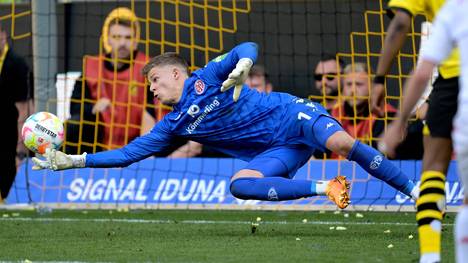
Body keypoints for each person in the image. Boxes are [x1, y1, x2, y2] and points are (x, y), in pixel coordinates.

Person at [32, 42, 419, 210]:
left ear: (173, 73)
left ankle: (414, 190)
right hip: (276, 151)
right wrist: (74, 161)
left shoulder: (208, 76)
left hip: (292, 115)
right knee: (239, 185)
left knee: (342, 143)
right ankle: (328, 187)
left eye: (153, 81)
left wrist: (244, 67)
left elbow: (247, 46)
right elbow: (129, 154)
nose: (151, 90)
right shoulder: (173, 124)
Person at [370, 1, 459, 262]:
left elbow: (400, 25)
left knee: (433, 167)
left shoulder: (446, 18)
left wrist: (398, 121)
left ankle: (430, 256)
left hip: (452, 81)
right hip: (451, 80)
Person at [65, 7, 167, 154]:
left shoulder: (148, 69)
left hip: (137, 142)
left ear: (135, 40)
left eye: (128, 37)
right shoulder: (92, 67)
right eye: (117, 37)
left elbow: (156, 110)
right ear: (107, 39)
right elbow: (74, 108)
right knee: (73, 125)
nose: (123, 43)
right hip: (97, 143)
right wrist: (93, 108)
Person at [329, 62, 423, 159]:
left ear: (373, 88)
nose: (353, 90)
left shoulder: (388, 117)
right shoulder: (332, 115)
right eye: (348, 84)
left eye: (359, 84)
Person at [0, 22, 33, 202]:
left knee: (7, 177)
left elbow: (23, 107)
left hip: (9, 129)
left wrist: (21, 144)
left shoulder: (17, 64)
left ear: (3, 35)